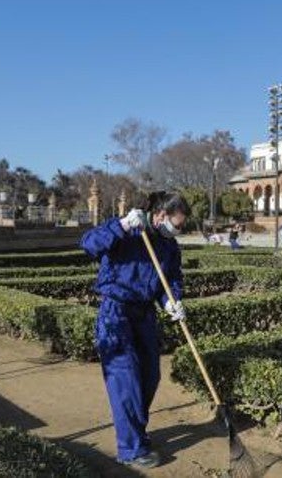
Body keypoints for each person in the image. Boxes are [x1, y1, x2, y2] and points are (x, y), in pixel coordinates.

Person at [79, 191, 189, 469]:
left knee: (149, 377)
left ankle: (135, 433)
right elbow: (88, 244)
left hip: (145, 315)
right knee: (125, 380)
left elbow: (171, 278)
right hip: (115, 313)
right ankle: (131, 449)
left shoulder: (169, 245)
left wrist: (171, 302)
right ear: (161, 215)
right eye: (177, 224)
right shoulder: (128, 229)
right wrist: (122, 226)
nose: (178, 230)